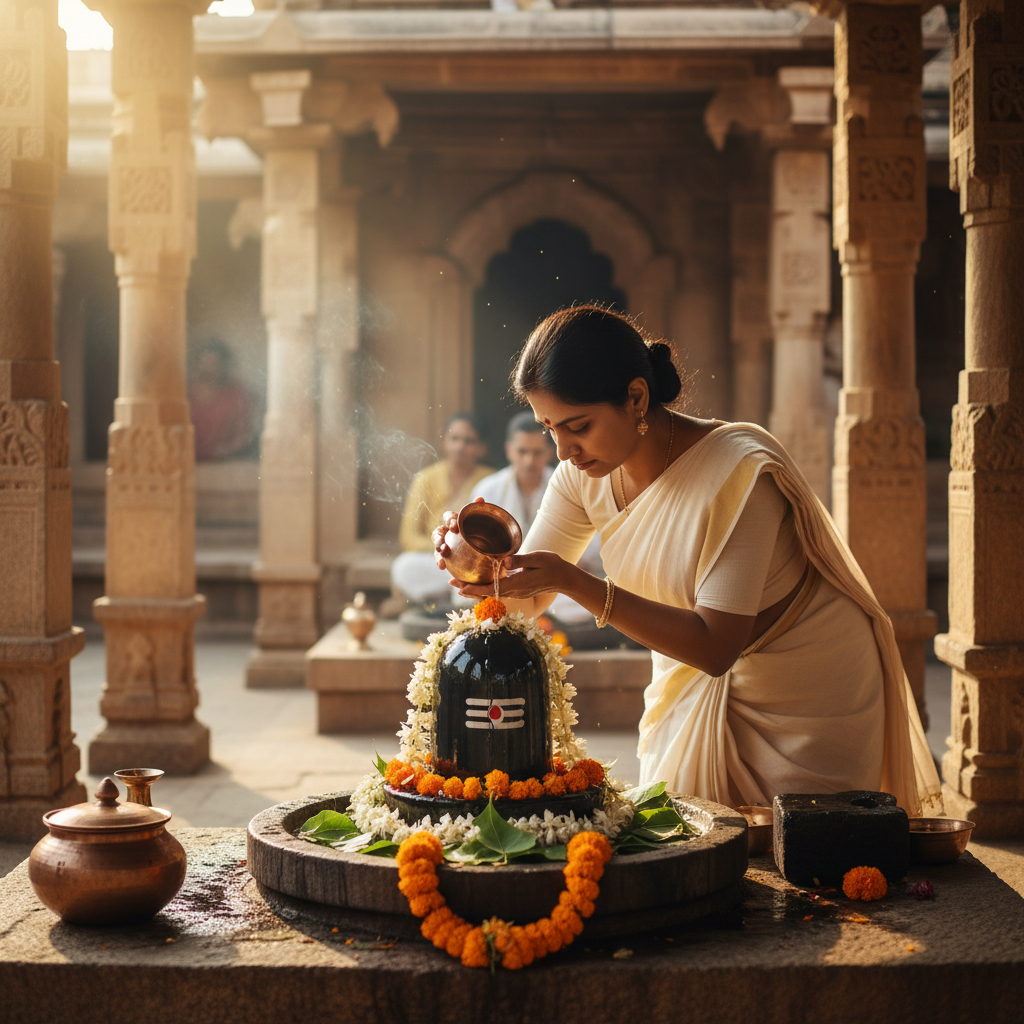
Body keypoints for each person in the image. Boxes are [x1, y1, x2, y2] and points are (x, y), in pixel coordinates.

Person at [434, 305, 941, 816]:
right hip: (691, 685)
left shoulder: (738, 472)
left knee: (798, 853)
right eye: (550, 429)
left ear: (636, 397)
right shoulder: (581, 477)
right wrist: (474, 561)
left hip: (807, 695)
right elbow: (528, 597)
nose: (563, 450)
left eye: (578, 426)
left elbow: (715, 647)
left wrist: (577, 582)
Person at [391, 413, 493, 608]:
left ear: (482, 448)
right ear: (445, 441)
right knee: (403, 567)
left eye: (468, 441)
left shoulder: (491, 480)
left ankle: (448, 598)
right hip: (439, 560)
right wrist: (446, 548)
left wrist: (468, 554)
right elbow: (408, 537)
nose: (459, 446)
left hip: (475, 564)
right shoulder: (425, 478)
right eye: (454, 438)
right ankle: (457, 597)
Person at [188, 338, 254, 461]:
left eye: (214, 365)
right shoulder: (187, 393)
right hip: (187, 460)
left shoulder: (236, 395)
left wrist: (222, 453)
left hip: (222, 463)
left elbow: (242, 437)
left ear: (224, 365)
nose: (209, 369)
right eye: (205, 364)